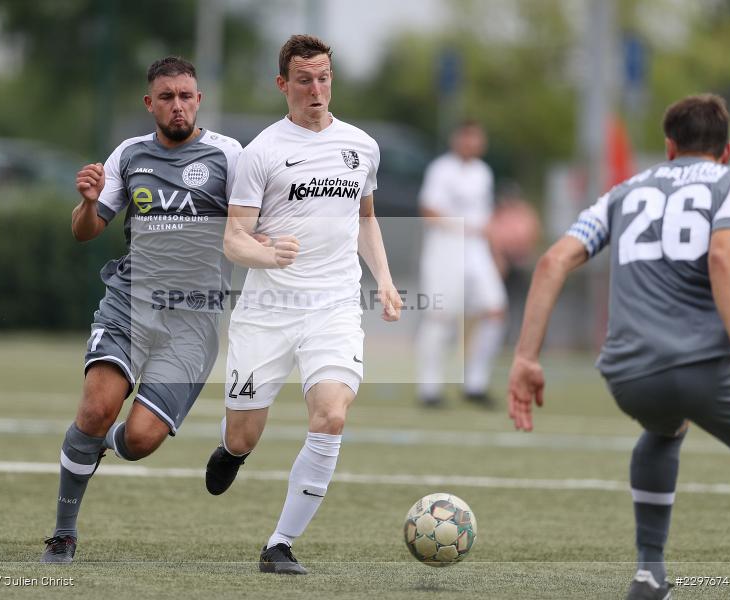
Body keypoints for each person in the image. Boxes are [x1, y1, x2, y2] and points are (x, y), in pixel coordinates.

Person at [507, 94, 730, 600]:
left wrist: (526, 358)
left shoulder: (623, 192)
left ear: (667, 147)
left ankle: (648, 571)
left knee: (664, 428)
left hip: (630, 375)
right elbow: (725, 256)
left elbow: (552, 262)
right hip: (705, 366)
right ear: (726, 150)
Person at [202, 34, 403, 575]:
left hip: (333, 305)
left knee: (332, 416)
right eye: (304, 80)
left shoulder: (361, 146)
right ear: (283, 84)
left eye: (324, 78)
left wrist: (383, 278)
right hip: (266, 310)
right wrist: (267, 255)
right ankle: (232, 451)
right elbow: (233, 238)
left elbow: (365, 220)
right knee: (245, 432)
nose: (316, 89)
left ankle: (280, 544)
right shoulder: (261, 152)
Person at [40, 56, 242, 563]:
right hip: (130, 303)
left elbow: (252, 226)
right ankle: (64, 533)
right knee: (94, 408)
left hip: (193, 321)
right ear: (149, 103)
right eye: (168, 96)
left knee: (142, 439)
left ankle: (94, 443)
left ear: (200, 99)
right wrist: (87, 203)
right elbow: (85, 231)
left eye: (187, 95)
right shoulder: (129, 155)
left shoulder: (229, 156)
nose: (178, 105)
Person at [415, 121, 507, 408]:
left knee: (494, 310)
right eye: (467, 137)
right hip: (447, 245)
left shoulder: (483, 172)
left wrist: (495, 252)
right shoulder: (442, 169)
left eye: (477, 138)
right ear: (457, 139)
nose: (472, 143)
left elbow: (486, 217)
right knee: (440, 314)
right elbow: (428, 210)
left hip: (476, 247)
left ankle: (475, 383)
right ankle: (429, 388)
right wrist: (459, 227)